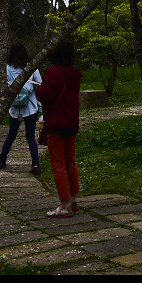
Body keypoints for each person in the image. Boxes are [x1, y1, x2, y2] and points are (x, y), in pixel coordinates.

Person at [36, 40, 81, 218]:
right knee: (70, 162)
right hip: (71, 123)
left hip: (56, 123)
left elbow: (43, 94)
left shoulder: (53, 72)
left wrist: (39, 88)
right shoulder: (73, 73)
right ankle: (73, 199)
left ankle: (64, 203)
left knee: (58, 164)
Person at [0, 43, 42, 175]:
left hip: (15, 108)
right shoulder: (32, 68)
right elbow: (39, 86)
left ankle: (2, 160)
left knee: (11, 135)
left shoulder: (6, 69)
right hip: (30, 108)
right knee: (30, 137)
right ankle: (35, 164)